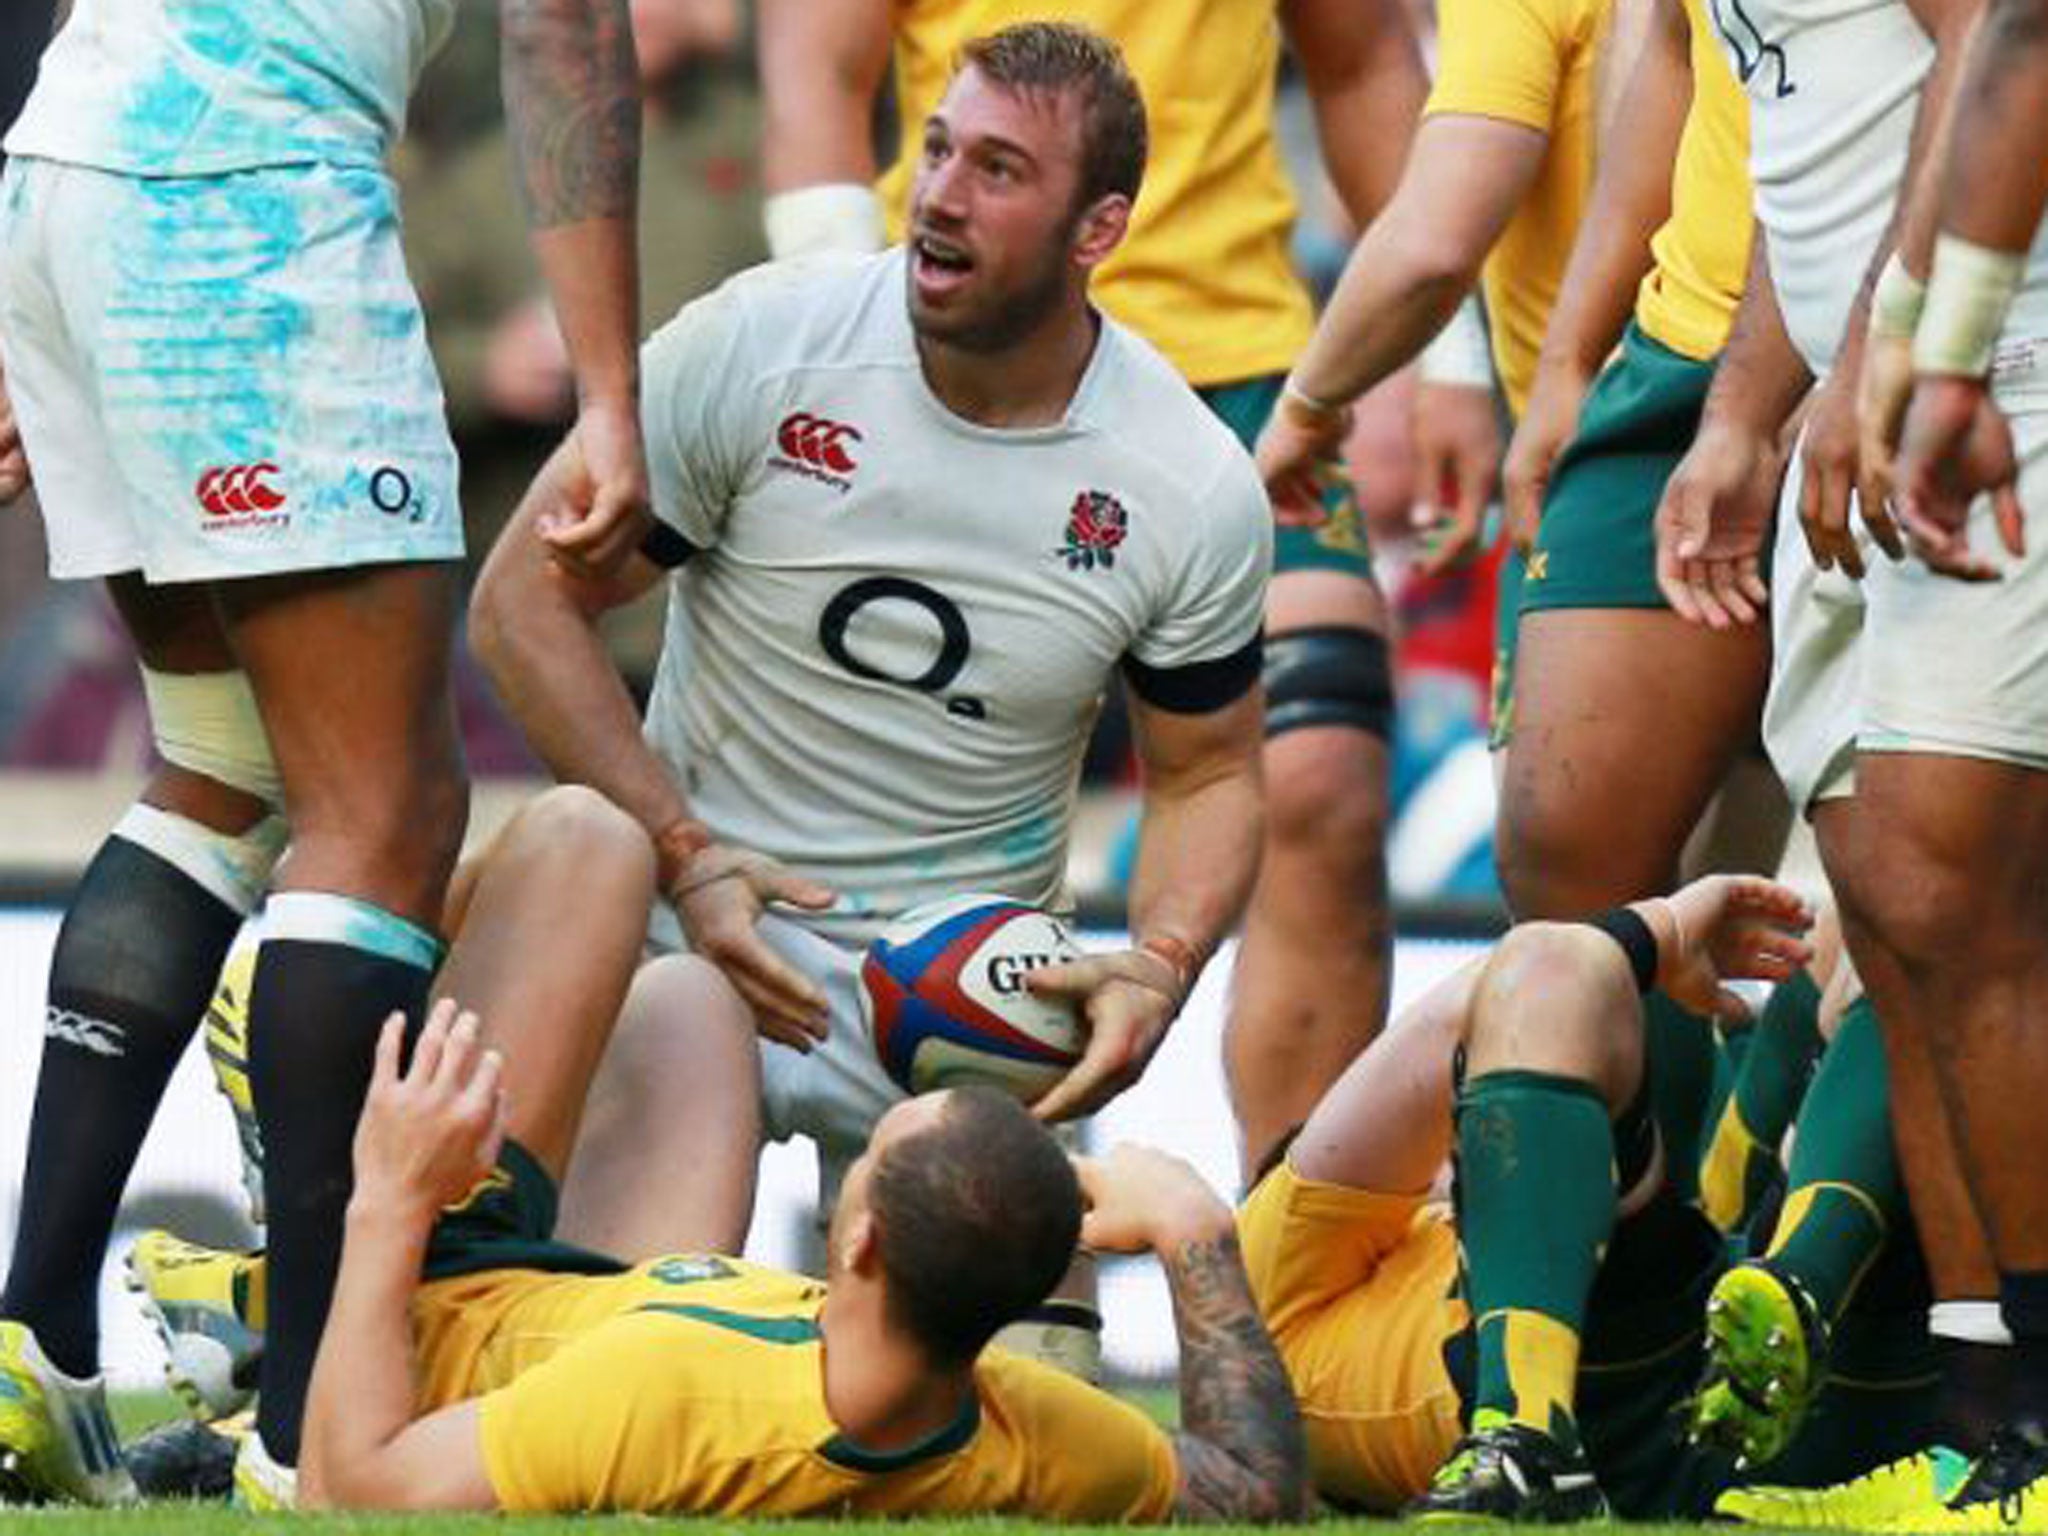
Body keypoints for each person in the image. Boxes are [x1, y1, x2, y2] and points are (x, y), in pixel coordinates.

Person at [469, 21, 1267, 1277]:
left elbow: (1211, 774)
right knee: (621, 1388)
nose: (938, 195)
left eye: (998, 170)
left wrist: (1160, 967)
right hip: (698, 952)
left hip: (973, 1011)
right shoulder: (765, 345)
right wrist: (685, 856)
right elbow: (522, 603)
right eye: (936, 148)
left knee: (1008, 1464)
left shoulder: (1185, 482)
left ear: (1096, 230)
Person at [0, 0, 648, 1503]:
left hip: (67, 163)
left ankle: (33, 1334)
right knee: (389, 812)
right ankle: (306, 1432)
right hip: (238, 195)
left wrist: (51, 264)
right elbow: (566, 32)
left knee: (221, 763)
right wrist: (610, 396)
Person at [126, 787, 1311, 1520]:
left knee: (586, 837)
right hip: (601, 1292)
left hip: (422, 1295)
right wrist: (1196, 1233)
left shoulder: (664, 1396)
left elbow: (354, 1489)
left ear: (856, 1234)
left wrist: (382, 1194)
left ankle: (286, 1252)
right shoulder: (1015, 1429)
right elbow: (1255, 1492)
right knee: (691, 1000)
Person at [753, 0, 1483, 1182]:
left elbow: (1359, 67)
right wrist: (852, 357)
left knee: (1327, 776)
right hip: (965, 363)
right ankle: (924, 1260)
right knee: (931, 828)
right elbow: (815, 72)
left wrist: (1444, 358)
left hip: (1235, 380)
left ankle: (1304, 1266)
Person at [1654, 0, 2048, 1520]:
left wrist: (1895, 342)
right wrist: (1759, 402)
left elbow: (1994, 41)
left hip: (1984, 373)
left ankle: (2036, 1429)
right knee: (1889, 902)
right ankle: (1975, 1437)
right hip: (1875, 391)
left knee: (1957, 895)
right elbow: (1806, 138)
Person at [1237, 870, 1945, 1520]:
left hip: (1725, 1345)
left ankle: (1789, 1291)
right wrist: (1654, 932)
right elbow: (1465, 1019)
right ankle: (1530, 1430)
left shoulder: (1396, 1254)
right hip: (1624, 1390)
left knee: (1896, 910)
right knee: (1553, 974)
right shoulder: (1273, 1284)